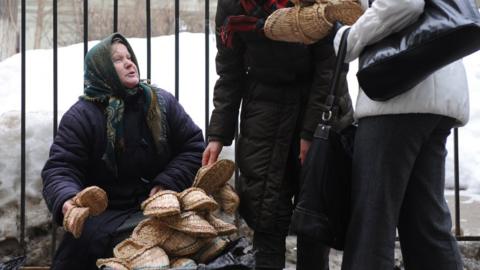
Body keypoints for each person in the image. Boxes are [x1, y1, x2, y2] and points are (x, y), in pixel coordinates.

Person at [202, 1, 354, 269]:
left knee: (315, 214)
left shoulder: (315, 2)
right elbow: (229, 72)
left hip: (318, 106)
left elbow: (330, 67)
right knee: (266, 212)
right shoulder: (232, 6)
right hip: (264, 113)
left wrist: (311, 133)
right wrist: (217, 134)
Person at [41, 33, 205, 270]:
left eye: (129, 57)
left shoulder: (162, 103)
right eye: (118, 59)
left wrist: (167, 183)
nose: (129, 63)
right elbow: (61, 168)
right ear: (102, 69)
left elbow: (192, 147)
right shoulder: (82, 116)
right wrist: (68, 201)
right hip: (105, 217)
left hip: (157, 208)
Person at [329, 0, 469, 269]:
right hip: (434, 87)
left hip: (399, 96)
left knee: (371, 224)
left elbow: (404, 3)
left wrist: (348, 37)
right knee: (425, 226)